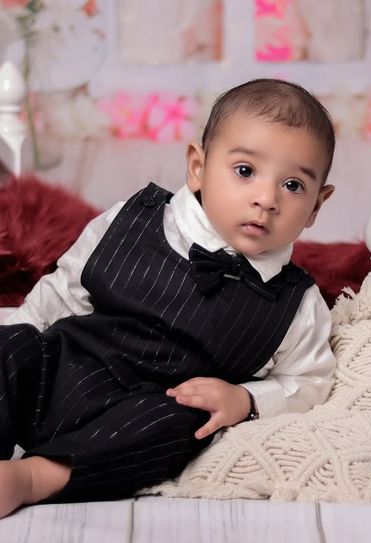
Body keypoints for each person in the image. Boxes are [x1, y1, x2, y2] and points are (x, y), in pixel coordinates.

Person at [0, 78, 336, 517]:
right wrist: (19, 341)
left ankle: (32, 478)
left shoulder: (297, 304)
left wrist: (246, 400)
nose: (266, 199)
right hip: (64, 372)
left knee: (181, 428)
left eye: (293, 185)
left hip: (143, 412)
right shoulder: (132, 222)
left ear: (316, 207)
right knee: (12, 344)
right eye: (244, 171)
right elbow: (62, 292)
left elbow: (310, 381)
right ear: (198, 166)